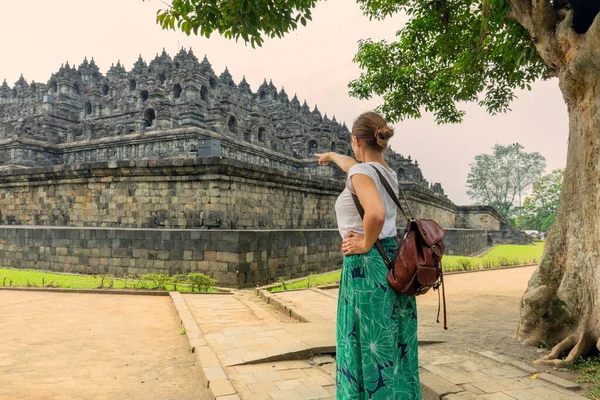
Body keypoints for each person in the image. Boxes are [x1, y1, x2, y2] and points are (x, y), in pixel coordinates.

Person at [316, 111, 421, 399]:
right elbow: (354, 166)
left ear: (356, 140)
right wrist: (333, 155)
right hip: (391, 260)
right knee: (390, 338)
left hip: (367, 266)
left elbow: (374, 213)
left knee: (364, 339)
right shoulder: (385, 173)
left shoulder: (362, 173)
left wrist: (364, 244)